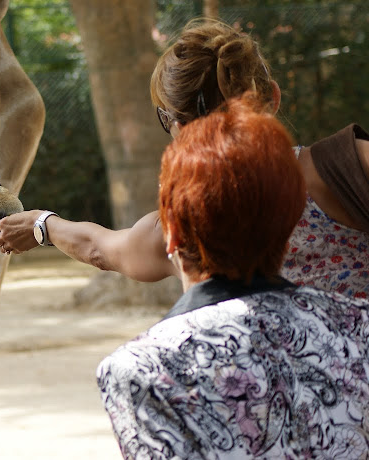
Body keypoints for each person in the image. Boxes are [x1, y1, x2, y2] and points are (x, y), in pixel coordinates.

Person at [0, 19, 369, 293]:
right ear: (271, 98)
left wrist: (43, 225)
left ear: (174, 124)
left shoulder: (183, 226)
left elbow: (100, 248)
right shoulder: (346, 168)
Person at [98, 95, 369, 459]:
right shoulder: (359, 327)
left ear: (172, 234)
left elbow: (99, 246)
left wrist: (43, 226)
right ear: (288, 224)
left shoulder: (143, 371)